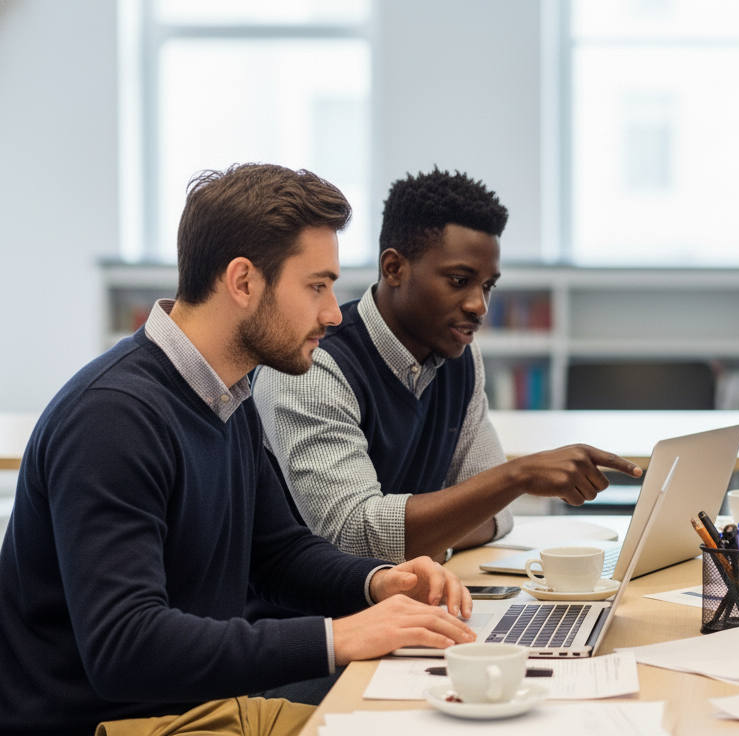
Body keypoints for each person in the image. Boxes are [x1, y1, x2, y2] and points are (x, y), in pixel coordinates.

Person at [0, 164, 480, 736]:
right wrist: (339, 636)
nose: (333, 313)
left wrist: (378, 582)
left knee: (439, 704)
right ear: (244, 281)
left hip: (199, 702)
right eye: (317, 286)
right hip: (121, 723)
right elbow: (124, 646)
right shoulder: (113, 419)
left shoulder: (226, 394)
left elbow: (277, 553)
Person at [252, 169, 640, 568]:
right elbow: (355, 535)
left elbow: (498, 514)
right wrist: (516, 477)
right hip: (315, 621)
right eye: (459, 280)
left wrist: (430, 540)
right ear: (393, 269)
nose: (479, 306)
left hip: (405, 603)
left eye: (488, 286)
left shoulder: (459, 358)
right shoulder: (313, 367)